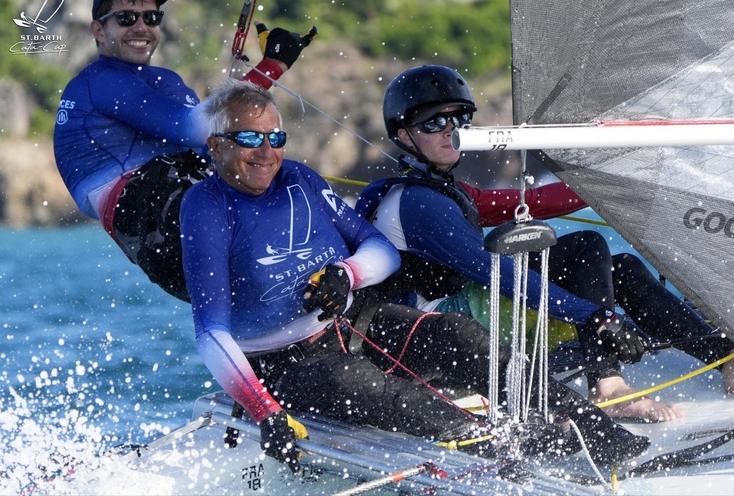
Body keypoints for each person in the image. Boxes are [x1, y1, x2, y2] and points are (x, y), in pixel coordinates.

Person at [179, 78, 650, 471]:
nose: (265, 152)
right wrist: (266, 412)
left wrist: (345, 273)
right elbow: (210, 332)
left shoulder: (300, 180)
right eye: (248, 139)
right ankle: (515, 452)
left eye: (275, 137)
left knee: (462, 338)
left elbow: (379, 250)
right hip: (282, 366)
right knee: (367, 387)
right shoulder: (206, 208)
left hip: (351, 324)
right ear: (216, 145)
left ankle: (600, 434)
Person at [356, 64, 734, 422]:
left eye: (460, 120)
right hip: (436, 342)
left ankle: (729, 362)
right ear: (404, 136)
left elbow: (535, 201)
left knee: (621, 268)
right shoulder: (416, 203)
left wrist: (626, 178)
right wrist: (595, 317)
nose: (452, 132)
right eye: (433, 123)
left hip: (471, 309)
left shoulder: (447, 190)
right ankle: (607, 385)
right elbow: (496, 273)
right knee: (586, 246)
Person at [53, 0, 313, 302]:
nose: (141, 26)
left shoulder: (163, 80)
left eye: (151, 17)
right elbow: (194, 127)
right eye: (125, 17)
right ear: (99, 31)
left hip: (175, 211)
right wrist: (271, 67)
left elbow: (212, 139)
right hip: (153, 219)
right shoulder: (101, 81)